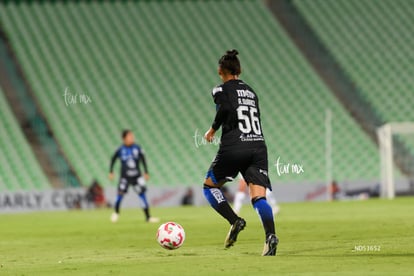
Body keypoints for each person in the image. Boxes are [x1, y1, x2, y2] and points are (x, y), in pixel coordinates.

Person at [203, 49, 279, 256]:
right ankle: (270, 236)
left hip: (235, 146)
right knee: (258, 197)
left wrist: (212, 129)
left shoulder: (219, 90)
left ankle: (235, 220)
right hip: (258, 146)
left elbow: (226, 109)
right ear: (239, 70)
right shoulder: (252, 92)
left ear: (220, 71)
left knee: (209, 187)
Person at [109, 130, 159, 223]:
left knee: (142, 195)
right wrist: (111, 171)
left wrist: (146, 172)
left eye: (132, 136)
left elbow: (143, 159)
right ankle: (116, 213)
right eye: (130, 136)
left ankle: (148, 217)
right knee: (120, 195)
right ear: (124, 138)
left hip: (137, 176)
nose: (132, 138)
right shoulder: (120, 149)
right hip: (124, 177)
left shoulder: (137, 148)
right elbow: (113, 159)